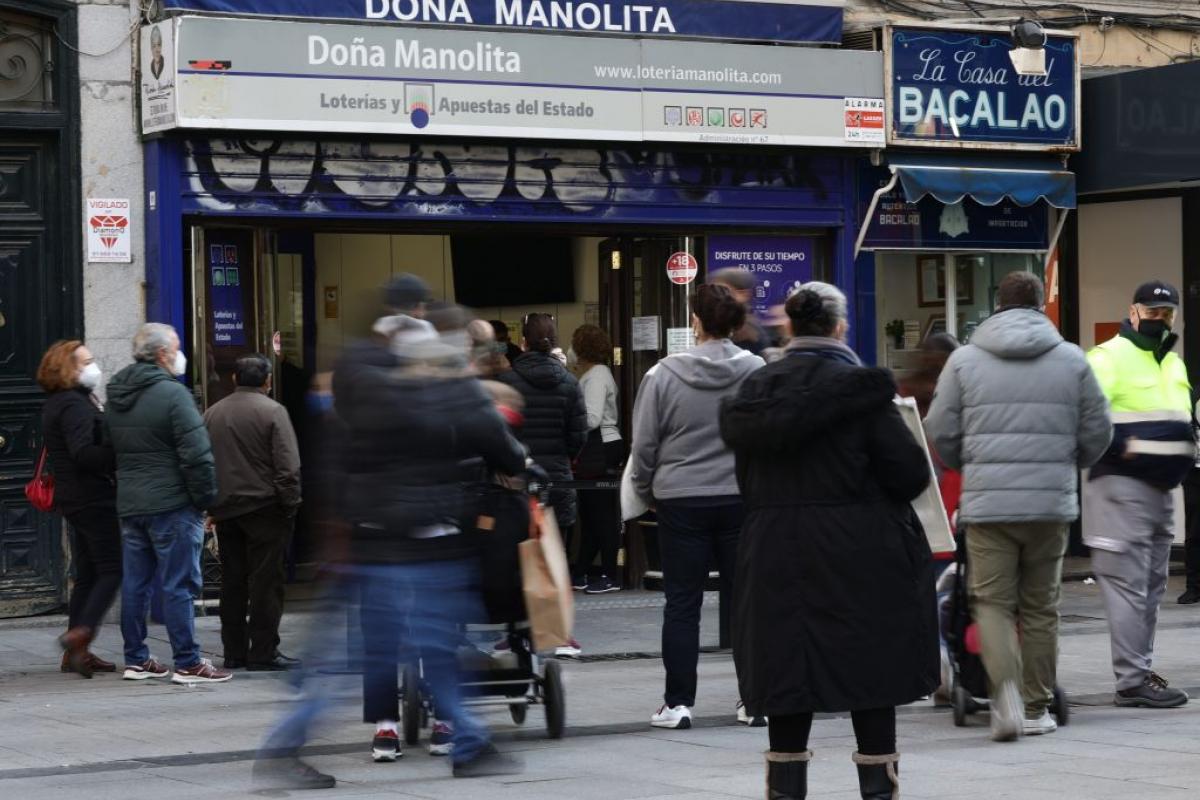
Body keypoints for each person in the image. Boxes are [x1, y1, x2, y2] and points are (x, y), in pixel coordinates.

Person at [720, 282, 937, 800]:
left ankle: (786, 791)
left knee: (787, 674)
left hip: (775, 547)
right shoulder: (865, 395)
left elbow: (747, 480)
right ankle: (878, 792)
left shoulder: (754, 396)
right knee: (871, 673)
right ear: (839, 327)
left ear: (791, 327)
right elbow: (909, 474)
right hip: (861, 550)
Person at [334, 278, 527, 776]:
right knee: (439, 633)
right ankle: (448, 724)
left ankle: (385, 726)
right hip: (435, 528)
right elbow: (501, 447)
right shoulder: (449, 389)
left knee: (380, 632)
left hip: (373, 529)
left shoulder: (359, 377)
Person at [925, 272, 1113, 741]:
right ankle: (1034, 707)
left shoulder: (965, 361)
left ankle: (1002, 690)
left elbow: (940, 428)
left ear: (997, 305)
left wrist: (969, 464)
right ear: (1039, 306)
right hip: (1050, 503)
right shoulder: (1072, 359)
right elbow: (1098, 430)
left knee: (990, 602)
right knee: (1041, 606)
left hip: (988, 504)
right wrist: (1069, 464)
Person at [627, 283, 765, 731]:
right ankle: (755, 700)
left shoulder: (662, 375)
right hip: (740, 497)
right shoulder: (756, 370)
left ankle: (678, 703)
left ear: (697, 323)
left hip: (680, 499)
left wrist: (645, 490)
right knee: (746, 603)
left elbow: (644, 445)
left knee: (682, 604)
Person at [1083, 280, 1194, 709]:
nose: (1159, 319)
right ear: (1132, 313)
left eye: (1166, 313)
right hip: (1119, 487)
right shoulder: (1106, 358)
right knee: (1129, 585)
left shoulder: (1173, 362)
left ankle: (1139, 671)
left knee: (1151, 585)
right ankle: (1131, 681)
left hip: (1163, 490)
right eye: (1151, 312)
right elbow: (1086, 419)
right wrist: (1122, 449)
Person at [105, 323, 227, 684]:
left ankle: (136, 659)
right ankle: (188, 661)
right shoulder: (174, 395)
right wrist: (206, 500)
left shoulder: (116, 393)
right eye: (176, 348)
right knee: (179, 585)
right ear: (162, 354)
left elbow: (109, 448)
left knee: (136, 584)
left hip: (132, 503)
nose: (180, 355)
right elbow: (197, 455)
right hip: (173, 503)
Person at [204, 353, 302, 672]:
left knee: (233, 582)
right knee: (266, 583)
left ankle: (233, 651)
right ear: (268, 381)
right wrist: (290, 504)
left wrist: (211, 505)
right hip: (265, 507)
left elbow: (204, 462)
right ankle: (262, 651)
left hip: (227, 509)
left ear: (234, 379)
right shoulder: (274, 411)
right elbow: (288, 467)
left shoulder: (212, 413)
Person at [498, 313, 587, 655]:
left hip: (518, 478)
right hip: (559, 479)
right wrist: (563, 460)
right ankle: (561, 633)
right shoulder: (568, 382)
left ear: (523, 342)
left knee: (518, 556)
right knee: (556, 556)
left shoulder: (508, 381)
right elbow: (577, 435)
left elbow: (500, 433)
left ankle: (519, 633)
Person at [37, 340, 121, 678]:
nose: (93, 366)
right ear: (67, 367)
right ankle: (81, 632)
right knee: (114, 569)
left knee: (88, 573)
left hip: (77, 498)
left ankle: (76, 652)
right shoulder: (72, 405)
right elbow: (84, 454)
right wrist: (119, 451)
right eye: (86, 361)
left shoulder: (63, 402)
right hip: (92, 497)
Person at [571, 324, 625, 595]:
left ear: (581, 348)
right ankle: (581, 571)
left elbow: (591, 418)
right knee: (591, 515)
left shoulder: (596, 376)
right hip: (602, 446)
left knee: (601, 516)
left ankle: (610, 575)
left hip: (599, 447)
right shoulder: (597, 374)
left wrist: (568, 424)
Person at [710, 267, 771, 355]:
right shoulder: (722, 326)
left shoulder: (747, 333)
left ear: (743, 294)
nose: (714, 295)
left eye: (722, 290)